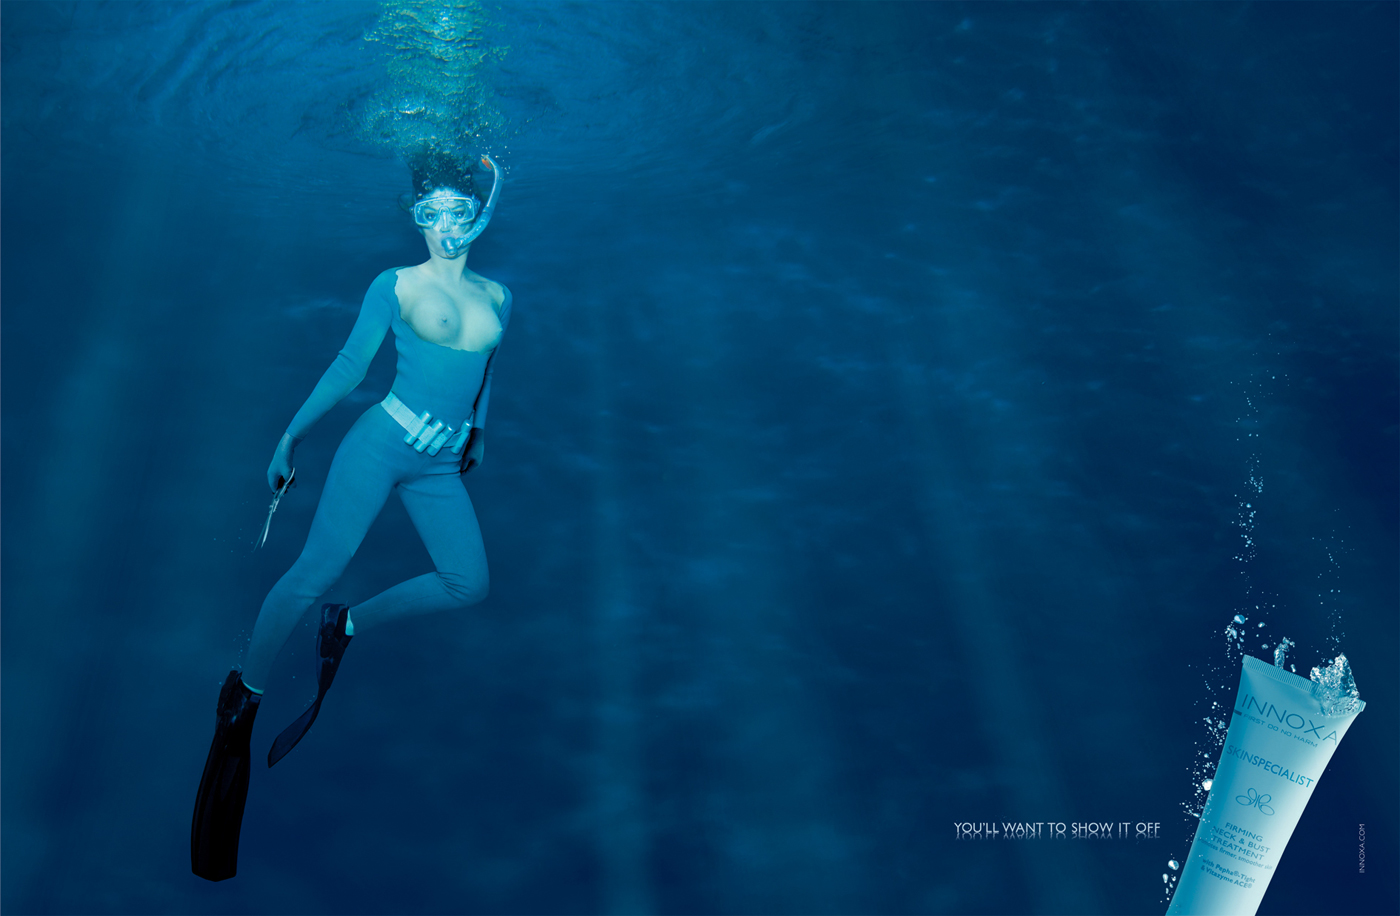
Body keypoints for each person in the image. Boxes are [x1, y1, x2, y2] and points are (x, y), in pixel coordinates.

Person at [191, 153, 512, 881]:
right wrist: (290, 435)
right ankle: (243, 699)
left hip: (440, 463)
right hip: (381, 443)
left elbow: (489, 368)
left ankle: (347, 626)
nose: (444, 226)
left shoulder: (500, 295)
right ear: (414, 215)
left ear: (479, 214)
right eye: (429, 211)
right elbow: (349, 366)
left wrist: (479, 430)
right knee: (314, 571)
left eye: (458, 210)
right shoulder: (394, 285)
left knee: (468, 581)